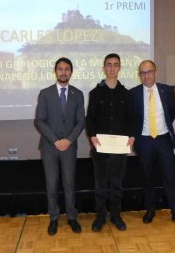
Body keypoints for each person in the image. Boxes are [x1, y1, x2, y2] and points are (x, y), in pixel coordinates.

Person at [130, 60, 175, 228]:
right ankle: (150, 210)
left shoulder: (166, 90)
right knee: (147, 177)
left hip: (163, 140)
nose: (146, 75)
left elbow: (171, 113)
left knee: (170, 177)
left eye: (149, 71)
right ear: (140, 75)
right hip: (144, 141)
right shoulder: (133, 93)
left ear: (155, 72)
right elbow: (132, 119)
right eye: (142, 73)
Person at [35, 57, 85, 235]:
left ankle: (72, 216)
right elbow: (40, 121)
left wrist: (68, 140)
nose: (63, 72)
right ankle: (54, 218)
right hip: (50, 147)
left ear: (71, 72)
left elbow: (80, 122)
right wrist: (56, 140)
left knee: (69, 182)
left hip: (69, 147)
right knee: (51, 183)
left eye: (67, 69)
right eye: (60, 69)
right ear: (55, 71)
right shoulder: (45, 93)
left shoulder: (78, 94)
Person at [85, 53, 135, 232]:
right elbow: (90, 119)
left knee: (117, 185)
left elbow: (131, 119)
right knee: (101, 186)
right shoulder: (95, 93)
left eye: (115, 65)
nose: (112, 68)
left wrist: (132, 136)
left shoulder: (126, 94)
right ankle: (100, 217)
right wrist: (92, 136)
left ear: (119, 68)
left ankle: (115, 216)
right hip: (101, 149)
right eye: (109, 65)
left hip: (120, 149)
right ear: (104, 67)